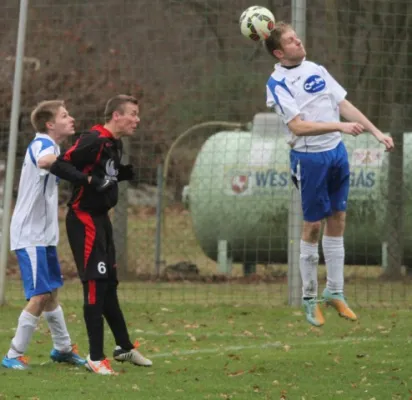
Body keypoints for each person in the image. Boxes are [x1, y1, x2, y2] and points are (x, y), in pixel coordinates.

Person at [265, 22, 394, 327]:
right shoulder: (277, 82)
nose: (300, 42)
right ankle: (309, 299)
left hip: (337, 153)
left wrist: (375, 131)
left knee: (338, 219)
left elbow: (342, 103)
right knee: (312, 228)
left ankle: (335, 291)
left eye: (298, 37)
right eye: (292, 41)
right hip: (310, 159)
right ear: (279, 52)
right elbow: (296, 126)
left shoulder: (317, 69)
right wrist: (339, 126)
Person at [50, 94, 152, 375]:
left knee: (108, 284)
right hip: (84, 220)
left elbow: (105, 173)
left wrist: (120, 174)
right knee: (95, 284)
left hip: (101, 219)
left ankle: (123, 347)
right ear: (116, 116)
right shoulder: (94, 139)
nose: (137, 119)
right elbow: (61, 164)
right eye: (132, 113)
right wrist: (89, 180)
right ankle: (96, 357)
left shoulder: (113, 143)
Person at [2, 100, 86, 369]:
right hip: (30, 234)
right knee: (39, 295)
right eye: (64, 115)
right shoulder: (43, 144)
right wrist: (73, 161)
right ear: (50, 124)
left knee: (51, 293)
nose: (71, 118)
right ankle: (13, 354)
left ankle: (62, 348)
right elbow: (44, 160)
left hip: (44, 234)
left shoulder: (54, 145)